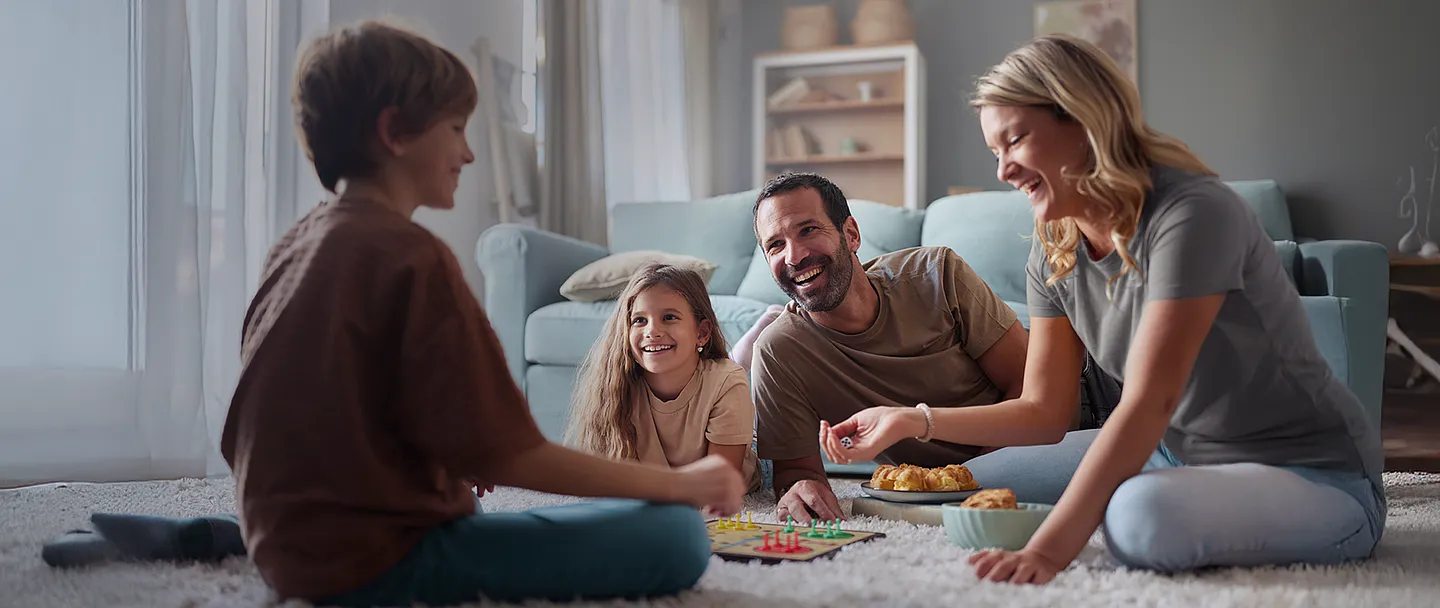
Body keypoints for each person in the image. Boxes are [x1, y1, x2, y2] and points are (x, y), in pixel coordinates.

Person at [42, 20, 746, 607]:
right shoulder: (412, 257)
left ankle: (215, 534)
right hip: (376, 568)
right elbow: (512, 456)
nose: (469, 151)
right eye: (456, 128)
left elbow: (283, 423)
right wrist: (679, 484)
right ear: (395, 132)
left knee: (594, 514)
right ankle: (230, 536)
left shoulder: (299, 244)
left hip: (284, 539)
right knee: (675, 536)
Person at [820, 34, 1385, 582]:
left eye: (1014, 141)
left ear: (1084, 120)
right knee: (958, 484)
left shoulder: (1193, 214)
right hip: (1173, 451)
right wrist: (913, 419)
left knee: (1138, 520)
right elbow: (1044, 410)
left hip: (1309, 471)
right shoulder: (1055, 243)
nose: (1002, 170)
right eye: (995, 150)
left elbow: (1148, 400)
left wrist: (1047, 550)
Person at [750, 171, 1103, 524]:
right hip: (991, 464)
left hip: (1090, 402)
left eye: (808, 230)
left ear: (851, 235)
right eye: (775, 245)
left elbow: (1029, 387)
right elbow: (795, 471)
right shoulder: (779, 352)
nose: (794, 256)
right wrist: (800, 488)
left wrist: (965, 478)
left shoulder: (936, 275)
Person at [566, 263, 764, 494]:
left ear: (701, 333)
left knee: (730, 373)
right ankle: (740, 354)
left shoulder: (726, 381)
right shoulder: (617, 387)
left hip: (746, 468)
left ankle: (751, 345)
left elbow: (716, 486)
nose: (652, 331)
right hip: (675, 480)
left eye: (669, 317)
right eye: (640, 320)